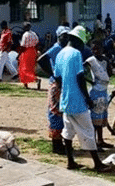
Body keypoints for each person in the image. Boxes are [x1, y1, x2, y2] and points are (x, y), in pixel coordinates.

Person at [54, 26, 110, 172]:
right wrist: (87, 98)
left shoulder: (60, 54)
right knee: (88, 131)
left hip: (65, 100)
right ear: (77, 41)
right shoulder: (76, 54)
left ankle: (70, 161)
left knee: (68, 132)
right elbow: (80, 78)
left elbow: (57, 77)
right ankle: (97, 163)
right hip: (78, 101)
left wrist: (64, 90)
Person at [39, 26, 70, 155]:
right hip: (56, 85)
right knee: (55, 113)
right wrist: (52, 75)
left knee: (62, 113)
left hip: (62, 84)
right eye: (64, 36)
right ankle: (56, 145)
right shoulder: (56, 48)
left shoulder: (65, 49)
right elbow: (41, 59)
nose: (66, 38)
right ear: (59, 36)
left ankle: (60, 143)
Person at [84, 40, 114, 150]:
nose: (96, 51)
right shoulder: (91, 60)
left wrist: (109, 65)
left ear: (102, 49)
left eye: (98, 49)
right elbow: (81, 71)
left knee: (100, 119)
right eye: (94, 49)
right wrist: (90, 80)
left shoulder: (105, 60)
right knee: (95, 119)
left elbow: (110, 73)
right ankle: (95, 142)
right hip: (96, 91)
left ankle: (100, 140)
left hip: (104, 91)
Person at [19, 22, 39, 89]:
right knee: (31, 68)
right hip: (33, 51)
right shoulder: (34, 34)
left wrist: (19, 54)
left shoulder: (25, 35)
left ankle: (34, 80)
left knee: (24, 68)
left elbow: (22, 45)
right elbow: (37, 42)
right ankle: (27, 83)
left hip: (26, 52)